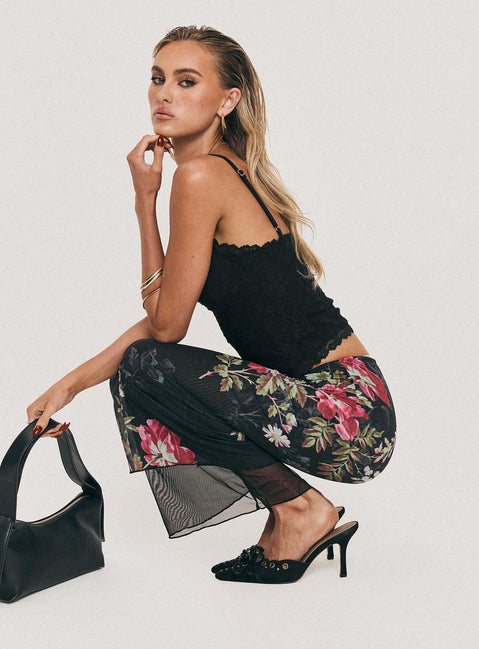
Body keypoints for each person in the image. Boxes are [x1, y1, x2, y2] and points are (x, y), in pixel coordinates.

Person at [26, 25, 397, 584]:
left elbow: (165, 327)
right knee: (144, 367)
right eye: (157, 79)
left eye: (186, 81)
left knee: (145, 367)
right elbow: (163, 309)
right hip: (351, 402)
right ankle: (294, 510)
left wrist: (144, 203)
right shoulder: (224, 170)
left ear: (227, 101)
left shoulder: (201, 177)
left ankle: (300, 511)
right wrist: (69, 385)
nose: (164, 94)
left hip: (344, 413)